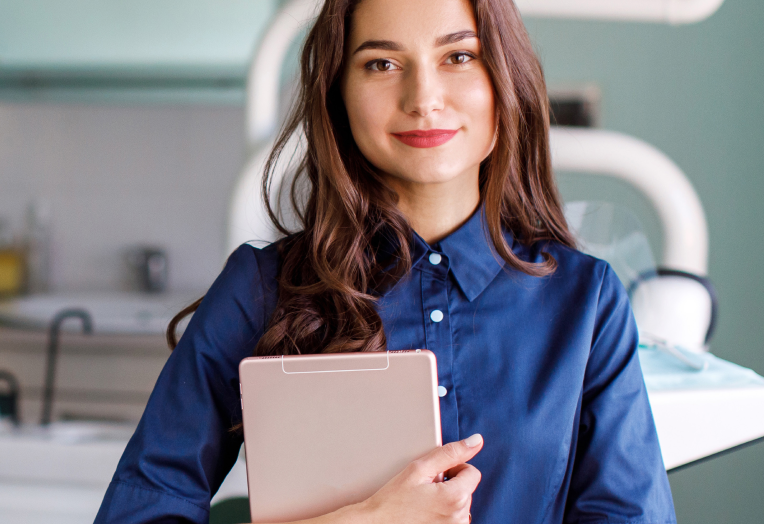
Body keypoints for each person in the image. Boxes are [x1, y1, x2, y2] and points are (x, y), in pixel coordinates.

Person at [95, 0, 677, 522]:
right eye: (381, 64)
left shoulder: (586, 302)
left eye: (458, 56)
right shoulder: (259, 290)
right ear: (338, 94)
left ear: (505, 83)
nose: (423, 98)